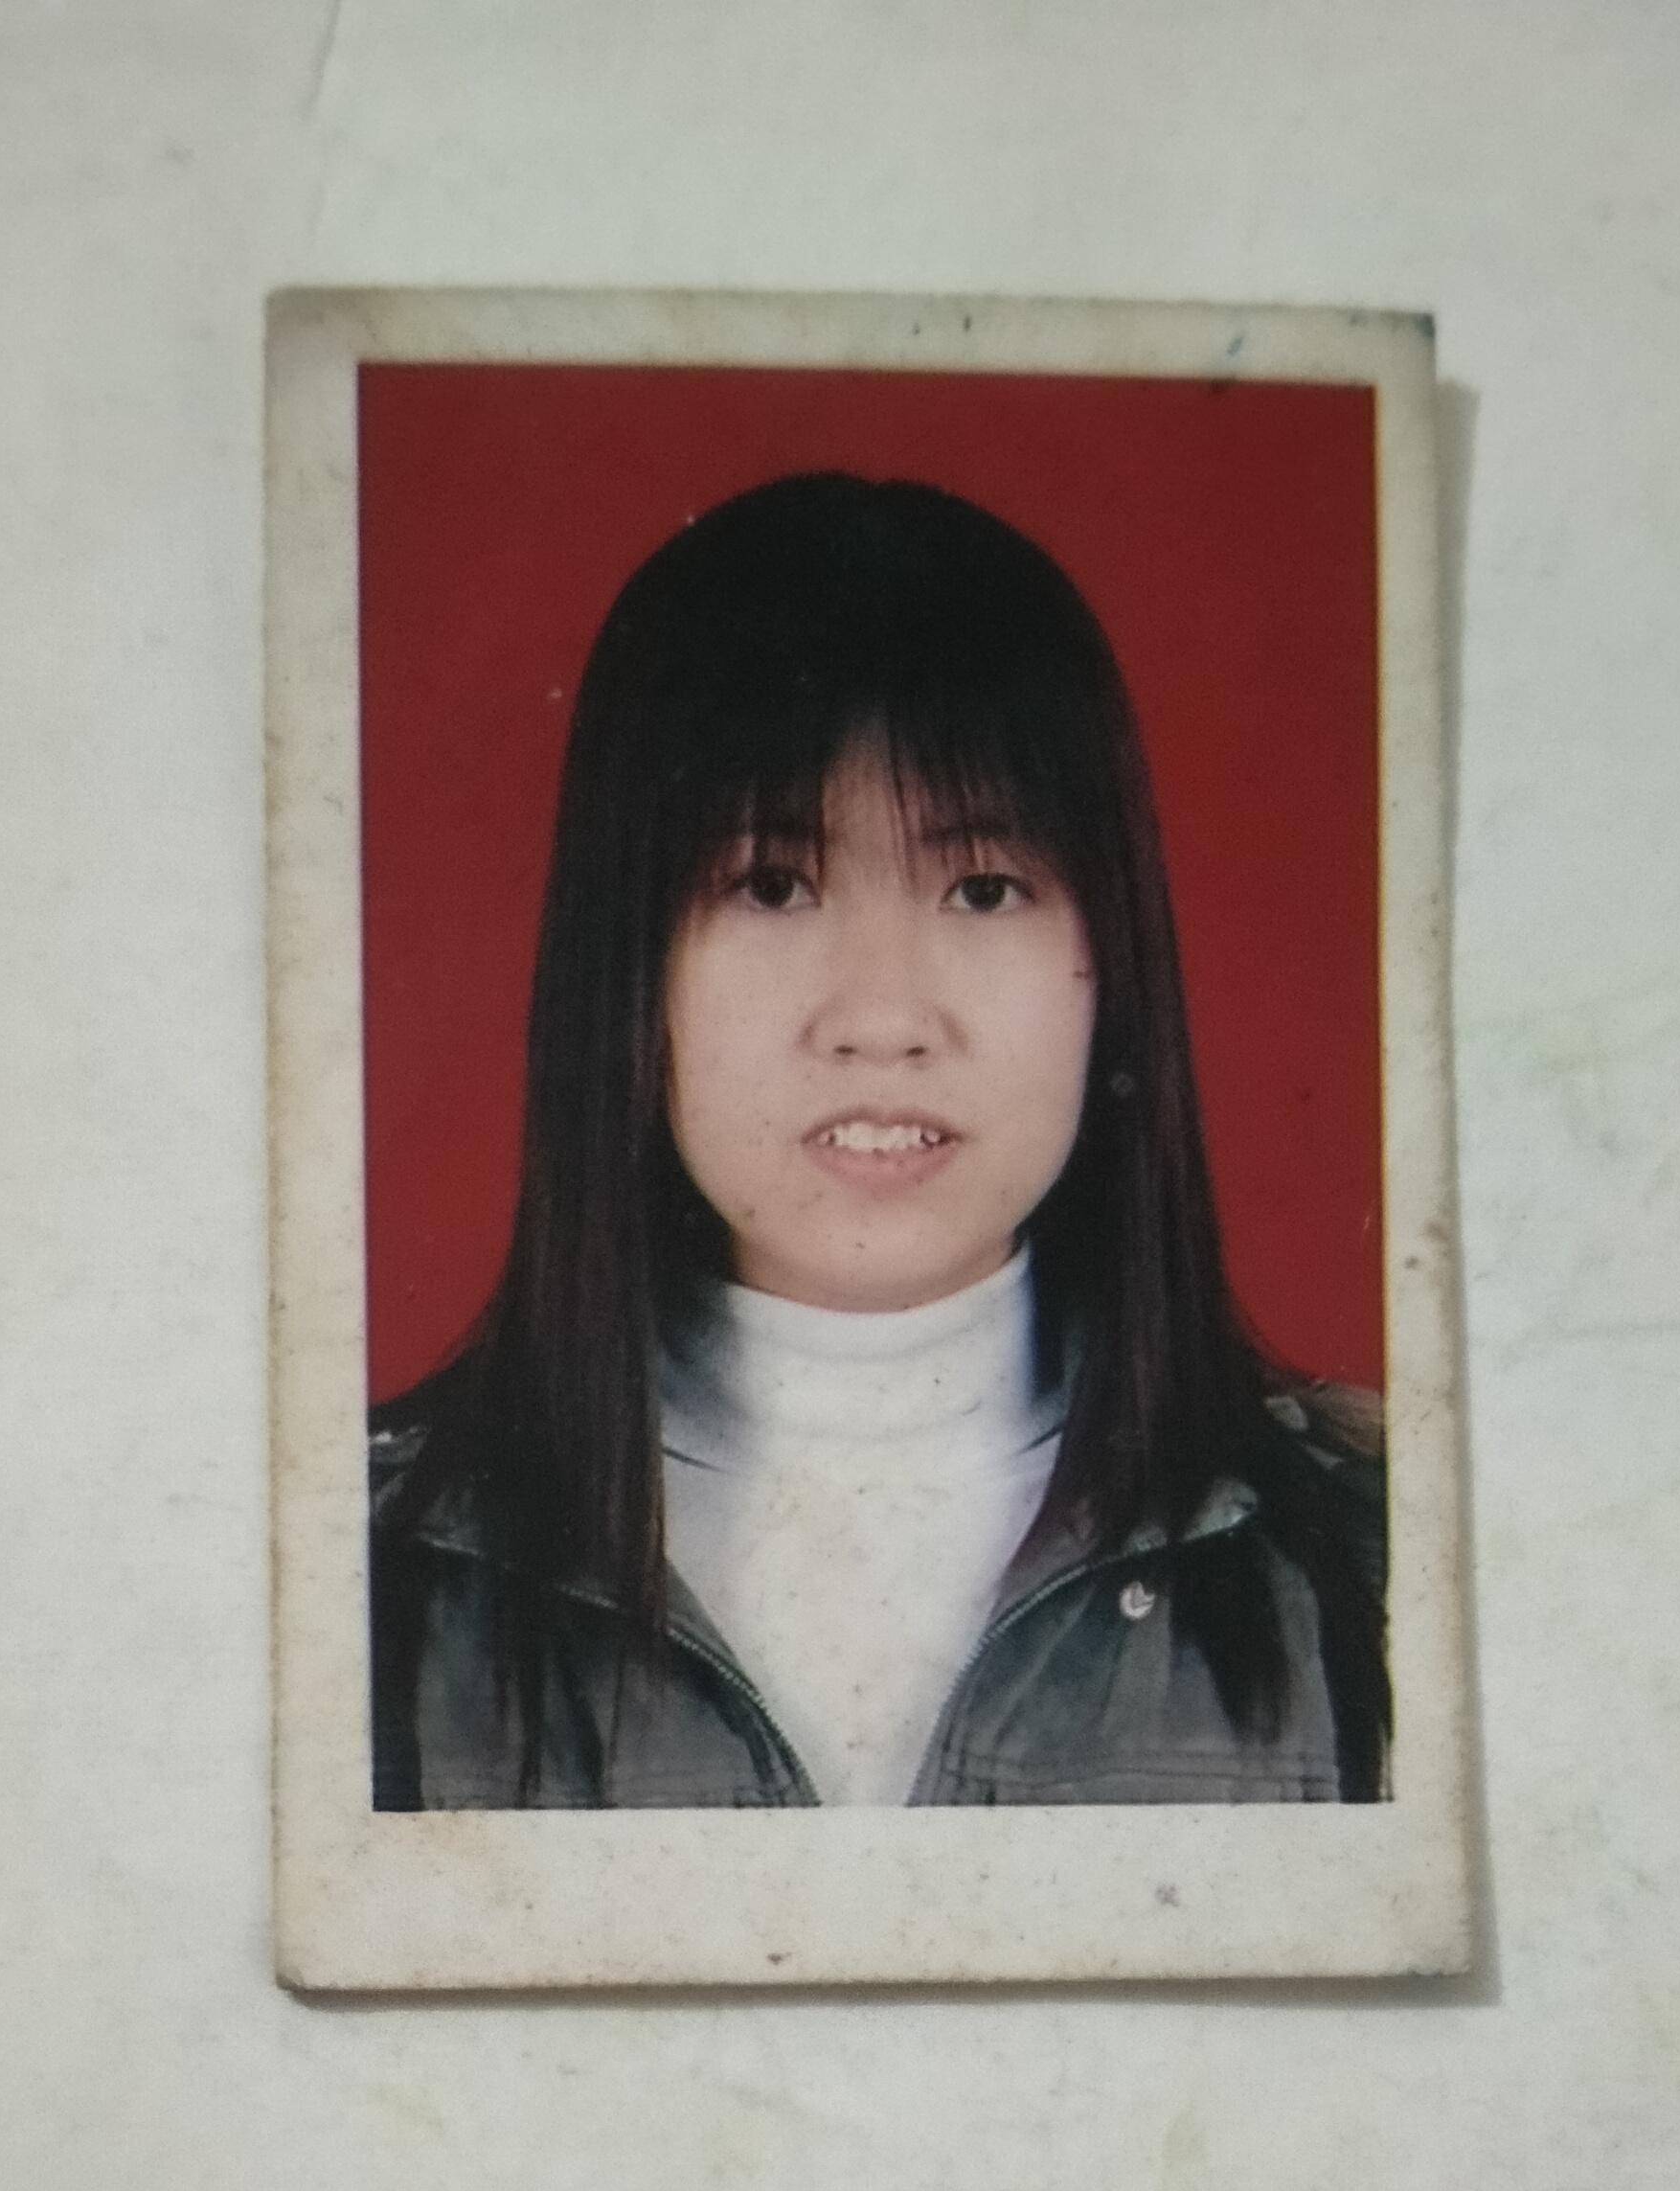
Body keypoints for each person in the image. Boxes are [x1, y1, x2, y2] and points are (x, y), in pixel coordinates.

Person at [369, 469, 1388, 1811]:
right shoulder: (345, 1576)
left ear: (1112, 960)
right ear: (625, 968)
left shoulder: (1383, 1559)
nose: (885, 1018)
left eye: (985, 888)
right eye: (772, 884)